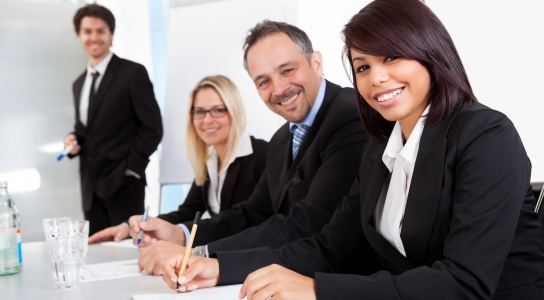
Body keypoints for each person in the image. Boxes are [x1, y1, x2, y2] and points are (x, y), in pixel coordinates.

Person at [161, 0, 544, 298]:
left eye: (392, 56)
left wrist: (316, 290)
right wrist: (217, 266)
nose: (377, 77)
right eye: (362, 67)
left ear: (430, 52)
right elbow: (329, 248)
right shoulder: (379, 151)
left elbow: (464, 283)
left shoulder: (487, 136)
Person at [129, 20, 369, 275]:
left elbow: (308, 222)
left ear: (316, 63)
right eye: (263, 82)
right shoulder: (281, 140)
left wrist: (199, 254)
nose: (278, 89)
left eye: (287, 70)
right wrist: (180, 234)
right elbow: (252, 213)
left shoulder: (350, 116)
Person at [88, 75, 268, 244]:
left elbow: (249, 220)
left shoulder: (263, 154)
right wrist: (130, 227)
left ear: (234, 111)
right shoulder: (210, 161)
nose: (206, 120)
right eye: (199, 111)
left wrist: (182, 236)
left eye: (218, 110)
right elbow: (186, 214)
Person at [64, 4, 163, 235]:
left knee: (128, 256)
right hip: (90, 189)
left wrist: (132, 169)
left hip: (123, 186)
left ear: (111, 34)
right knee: (97, 254)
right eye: (88, 31)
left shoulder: (133, 73)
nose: (94, 37)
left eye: (101, 30)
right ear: (79, 36)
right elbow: (87, 129)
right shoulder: (78, 83)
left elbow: (153, 128)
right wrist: (73, 139)